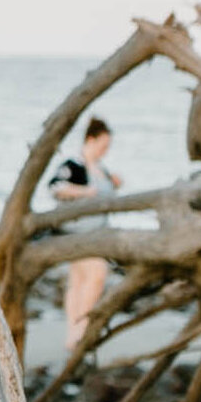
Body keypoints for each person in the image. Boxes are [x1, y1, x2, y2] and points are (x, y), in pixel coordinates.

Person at [50, 115, 122, 351]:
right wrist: (84, 192)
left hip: (98, 233)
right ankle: (81, 327)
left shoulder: (102, 169)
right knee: (96, 275)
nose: (106, 150)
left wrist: (115, 184)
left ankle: (73, 333)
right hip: (78, 234)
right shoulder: (74, 165)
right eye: (103, 145)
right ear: (91, 140)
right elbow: (56, 187)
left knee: (79, 281)